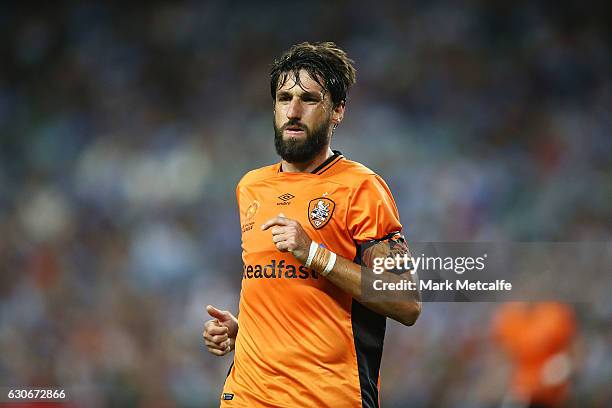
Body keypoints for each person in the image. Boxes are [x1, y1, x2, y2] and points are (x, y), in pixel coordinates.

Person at [203, 41, 421, 407]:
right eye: (284, 98)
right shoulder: (251, 187)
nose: (293, 110)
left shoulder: (361, 187)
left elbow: (406, 301)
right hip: (248, 394)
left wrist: (316, 254)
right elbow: (287, 290)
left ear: (337, 111)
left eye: (308, 99)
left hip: (327, 397)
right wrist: (243, 332)